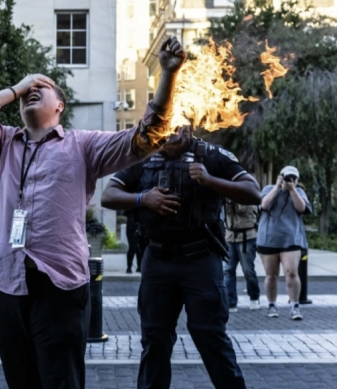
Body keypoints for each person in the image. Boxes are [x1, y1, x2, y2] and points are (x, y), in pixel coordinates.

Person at [0, 36, 186, 389]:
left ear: (60, 106)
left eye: (42, 88)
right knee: (20, 381)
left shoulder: (83, 145)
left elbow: (147, 136)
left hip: (59, 284)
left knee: (62, 381)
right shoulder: (1, 142)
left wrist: (168, 75)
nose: (34, 89)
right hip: (5, 283)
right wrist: (18, 87)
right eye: (30, 88)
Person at [101, 124, 260, 389]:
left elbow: (254, 192)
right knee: (154, 340)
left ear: (187, 128)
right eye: (163, 134)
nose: (167, 140)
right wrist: (143, 198)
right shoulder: (144, 155)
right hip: (157, 259)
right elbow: (108, 195)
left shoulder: (211, 154)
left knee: (210, 337)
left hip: (200, 259)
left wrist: (210, 180)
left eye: (174, 132)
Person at [256, 165, 311, 320]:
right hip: (269, 238)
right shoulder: (268, 189)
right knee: (271, 275)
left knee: (292, 272)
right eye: (288, 177)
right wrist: (277, 187)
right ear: (280, 176)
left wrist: (292, 189)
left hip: (291, 238)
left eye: (294, 178)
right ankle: (272, 305)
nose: (290, 180)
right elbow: (264, 205)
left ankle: (294, 306)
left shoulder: (299, 192)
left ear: (297, 180)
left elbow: (301, 209)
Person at [223, 200, 261, 312]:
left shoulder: (246, 190)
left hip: (247, 236)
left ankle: (254, 297)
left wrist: (231, 196)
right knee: (228, 270)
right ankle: (231, 302)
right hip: (230, 235)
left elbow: (241, 209)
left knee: (248, 270)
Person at [125, 209, 142, 273]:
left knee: (139, 248)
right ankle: (129, 267)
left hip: (139, 228)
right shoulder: (130, 208)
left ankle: (139, 266)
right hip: (131, 229)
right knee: (132, 247)